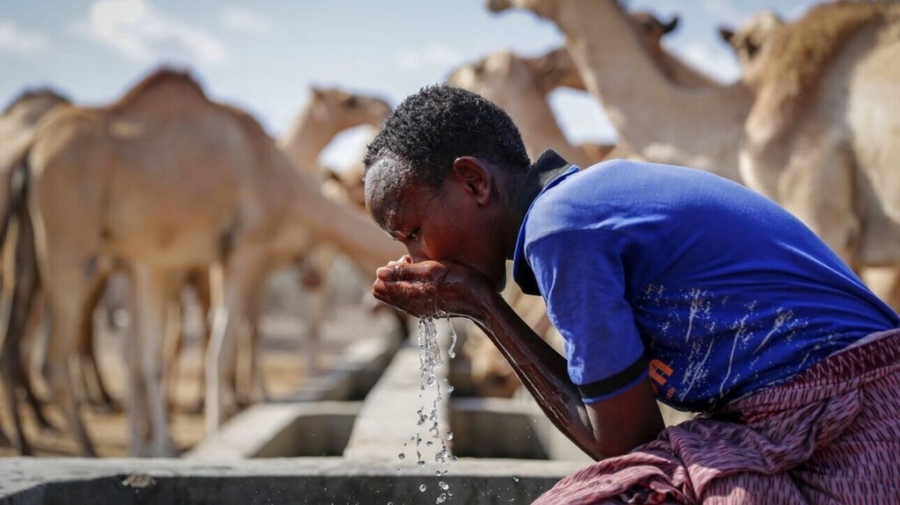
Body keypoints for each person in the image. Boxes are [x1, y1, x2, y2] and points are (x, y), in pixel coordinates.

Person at [362, 83, 900, 504]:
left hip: (855, 420)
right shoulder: (578, 207)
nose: (414, 258)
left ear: (474, 182)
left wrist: (481, 305)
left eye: (412, 232)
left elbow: (628, 451)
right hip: (818, 415)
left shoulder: (561, 228)